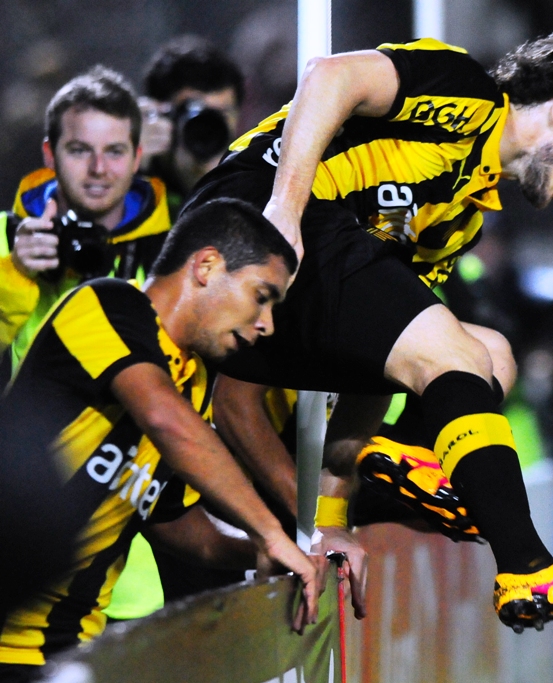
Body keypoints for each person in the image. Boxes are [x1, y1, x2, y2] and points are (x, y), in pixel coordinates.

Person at [183, 28, 553, 633]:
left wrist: (331, 518)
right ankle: (527, 564)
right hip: (251, 222)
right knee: (455, 351)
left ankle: (389, 478)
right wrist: (285, 207)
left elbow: (383, 352)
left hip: (287, 302)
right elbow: (330, 74)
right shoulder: (466, 93)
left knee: (489, 353)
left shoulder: (461, 221)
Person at [0, 198, 323, 682]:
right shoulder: (109, 304)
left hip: (72, 644)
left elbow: (170, 520)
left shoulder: (192, 384)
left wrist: (254, 555)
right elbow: (163, 419)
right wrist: (272, 533)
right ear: (207, 266)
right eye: (262, 296)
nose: (267, 324)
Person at [0, 66, 171, 384]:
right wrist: (14, 275)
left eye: (114, 152)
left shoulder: (171, 251)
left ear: (137, 157)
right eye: (79, 150)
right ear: (50, 154)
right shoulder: (3, 239)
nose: (98, 169)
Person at [138, 35, 245, 218]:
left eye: (221, 115)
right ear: (161, 115)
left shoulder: (256, 187)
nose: (208, 126)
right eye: (196, 114)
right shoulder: (132, 189)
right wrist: (129, 165)